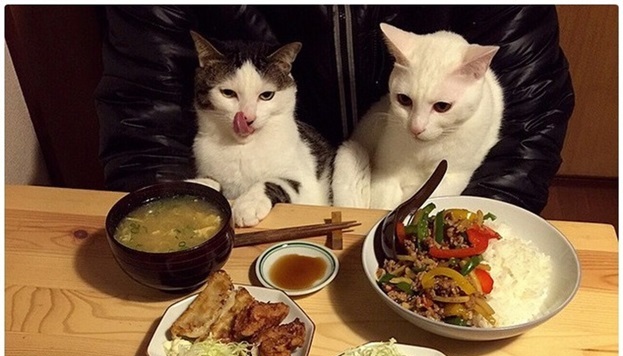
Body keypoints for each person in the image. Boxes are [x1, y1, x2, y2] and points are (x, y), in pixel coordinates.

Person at [98, 16, 573, 221]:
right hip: (318, 187)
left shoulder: (471, 81)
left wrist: (454, 231)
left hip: (347, 195)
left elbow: (535, 117)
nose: (417, 124)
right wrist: (180, 220)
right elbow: (141, 107)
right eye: (406, 103)